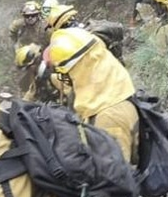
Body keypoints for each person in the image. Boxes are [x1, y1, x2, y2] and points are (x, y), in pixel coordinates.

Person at [47, 28, 138, 164]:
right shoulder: (108, 92)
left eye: (66, 74)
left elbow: (116, 179)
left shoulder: (108, 118)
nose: (66, 80)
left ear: (79, 70)